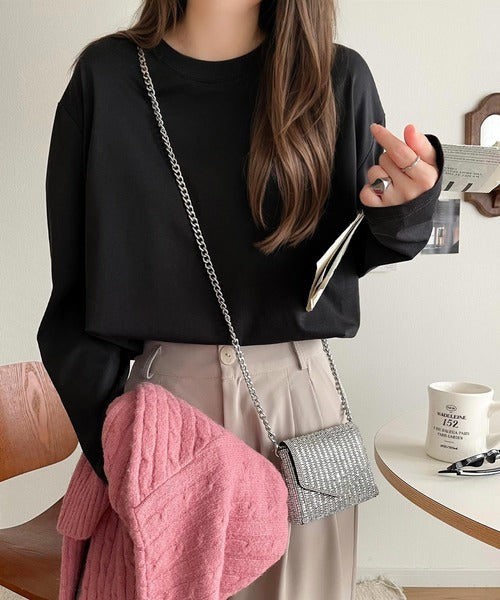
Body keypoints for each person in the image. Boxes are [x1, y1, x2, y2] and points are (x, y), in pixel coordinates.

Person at [37, 1, 444, 598]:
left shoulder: (336, 77)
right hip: (164, 415)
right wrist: (113, 445)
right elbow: (74, 294)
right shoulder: (107, 77)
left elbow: (354, 245)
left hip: (299, 414)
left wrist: (408, 208)